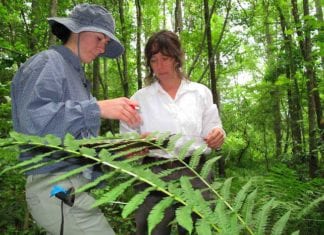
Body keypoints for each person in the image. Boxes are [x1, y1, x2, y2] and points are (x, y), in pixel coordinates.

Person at [11, 3, 141, 235]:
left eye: (106, 43)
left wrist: (123, 149)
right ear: (78, 31)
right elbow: (33, 122)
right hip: (54, 184)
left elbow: (76, 144)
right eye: (99, 39)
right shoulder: (49, 61)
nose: (103, 48)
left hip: (73, 186)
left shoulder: (78, 78)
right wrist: (96, 108)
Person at [120, 30, 225, 235]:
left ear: (178, 58)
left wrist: (218, 134)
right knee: (152, 229)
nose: (160, 66)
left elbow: (213, 129)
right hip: (154, 172)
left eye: (165, 58)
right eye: (154, 60)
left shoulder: (200, 93)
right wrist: (136, 145)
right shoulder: (139, 98)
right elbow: (126, 141)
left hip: (196, 171)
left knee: (201, 229)